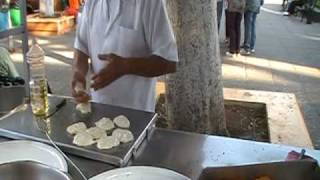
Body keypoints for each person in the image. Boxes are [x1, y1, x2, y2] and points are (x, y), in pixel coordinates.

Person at [72, 0, 178, 112]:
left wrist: (126, 66)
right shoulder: (91, 3)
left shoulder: (150, 3)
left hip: (137, 113)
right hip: (98, 110)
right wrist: (78, 73)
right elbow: (81, 47)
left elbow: (169, 61)